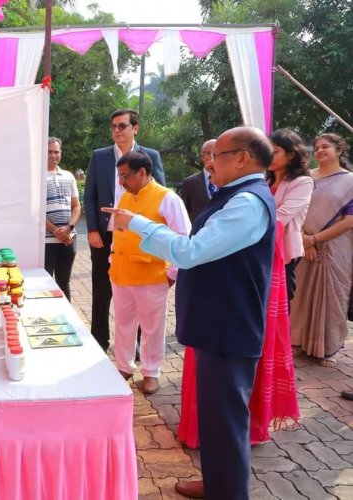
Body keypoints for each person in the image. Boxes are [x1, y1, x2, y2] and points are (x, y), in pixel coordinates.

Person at [104, 126, 276, 500]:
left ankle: (230, 491)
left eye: (219, 155)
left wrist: (136, 224)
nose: (210, 163)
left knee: (227, 418)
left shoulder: (247, 202)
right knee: (214, 416)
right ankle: (218, 481)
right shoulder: (234, 195)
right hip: (217, 322)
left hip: (230, 326)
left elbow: (190, 251)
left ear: (244, 158)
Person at [178, 220, 299, 448]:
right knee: (217, 384)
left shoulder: (251, 205)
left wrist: (142, 226)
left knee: (229, 389)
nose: (212, 180)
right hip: (218, 305)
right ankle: (218, 448)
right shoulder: (239, 201)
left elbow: (193, 250)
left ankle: (228, 453)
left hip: (238, 309)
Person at [83, 109, 166, 352]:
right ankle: (99, 340)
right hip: (105, 235)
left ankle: (139, 344)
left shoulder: (150, 156)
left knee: (139, 292)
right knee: (101, 290)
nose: (117, 131)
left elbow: (159, 193)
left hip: (138, 236)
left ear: (135, 128)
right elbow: (89, 196)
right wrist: (92, 230)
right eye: (114, 127)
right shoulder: (100, 156)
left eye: (122, 126)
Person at [109, 151, 190, 394]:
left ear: (142, 173)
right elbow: (118, 234)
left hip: (151, 276)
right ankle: (124, 365)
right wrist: (112, 259)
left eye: (126, 176)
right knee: (123, 324)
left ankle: (151, 372)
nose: (122, 182)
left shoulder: (167, 198)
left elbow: (183, 237)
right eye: (120, 177)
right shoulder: (124, 197)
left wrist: (171, 274)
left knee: (152, 327)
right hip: (121, 274)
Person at [290, 133, 353, 367]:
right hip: (303, 242)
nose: (319, 151)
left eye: (325, 146)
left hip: (337, 246)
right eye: (316, 147)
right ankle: (296, 340)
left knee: (333, 295)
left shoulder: (350, 181)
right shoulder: (306, 178)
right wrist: (305, 240)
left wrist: (315, 238)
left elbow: (349, 221)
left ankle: (326, 347)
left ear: (339, 150)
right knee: (300, 293)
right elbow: (297, 211)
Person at [267, 129, 314, 303]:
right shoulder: (265, 181)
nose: (269, 155)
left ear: (291, 154)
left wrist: (249, 224)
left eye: (275, 151)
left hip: (283, 251)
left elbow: (282, 216)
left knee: (281, 299)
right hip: (260, 249)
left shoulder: (303, 182)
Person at [45, 137, 81, 299]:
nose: (53, 155)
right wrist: (56, 231)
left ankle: (67, 322)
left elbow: (76, 206)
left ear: (61, 153)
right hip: (46, 241)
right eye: (49, 152)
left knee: (63, 282)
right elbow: (36, 212)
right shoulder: (37, 177)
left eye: (56, 152)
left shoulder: (69, 176)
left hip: (69, 239)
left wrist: (69, 228)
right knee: (44, 284)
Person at [179, 139, 216, 222]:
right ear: (202, 156)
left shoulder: (229, 179)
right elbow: (183, 212)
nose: (213, 157)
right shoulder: (189, 183)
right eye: (209, 153)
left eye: (216, 153)